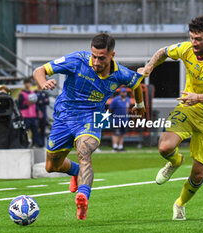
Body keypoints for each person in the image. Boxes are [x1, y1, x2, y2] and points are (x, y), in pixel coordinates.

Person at [33, 33, 146, 220]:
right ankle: (75, 171)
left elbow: (137, 83)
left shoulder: (121, 73)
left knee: (84, 150)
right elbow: (39, 70)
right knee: (51, 166)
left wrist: (140, 106)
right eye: (94, 56)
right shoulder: (77, 60)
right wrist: (43, 82)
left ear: (112, 55)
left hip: (94, 116)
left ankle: (83, 196)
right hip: (64, 116)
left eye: (101, 58)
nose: (96, 61)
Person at [139, 15, 203, 220]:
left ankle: (180, 204)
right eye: (191, 37)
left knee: (198, 174)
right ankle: (174, 162)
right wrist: (149, 67)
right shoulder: (186, 49)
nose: (193, 43)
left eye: (198, 39)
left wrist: (200, 97)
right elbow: (163, 52)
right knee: (164, 147)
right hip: (189, 109)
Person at [18, 79, 43, 147]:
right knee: (25, 131)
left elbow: (35, 104)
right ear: (24, 84)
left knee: (35, 131)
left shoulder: (33, 93)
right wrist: (27, 105)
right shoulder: (21, 94)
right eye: (27, 83)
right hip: (25, 116)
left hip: (33, 115)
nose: (28, 85)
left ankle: (36, 144)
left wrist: (39, 111)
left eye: (29, 83)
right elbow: (19, 106)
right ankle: (24, 144)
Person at [109, 86, 131, 151]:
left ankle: (120, 146)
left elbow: (127, 109)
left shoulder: (128, 99)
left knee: (122, 133)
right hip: (116, 119)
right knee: (116, 133)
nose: (124, 93)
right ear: (120, 93)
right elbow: (111, 108)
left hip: (124, 119)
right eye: (123, 92)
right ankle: (115, 146)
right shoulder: (116, 99)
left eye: (125, 92)